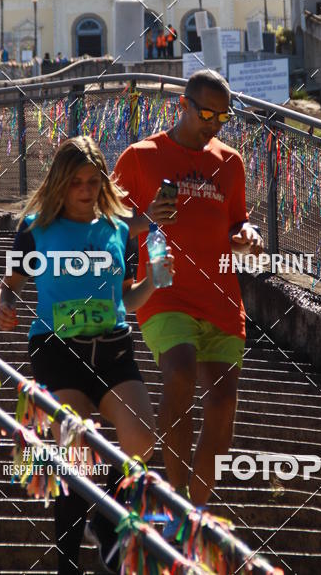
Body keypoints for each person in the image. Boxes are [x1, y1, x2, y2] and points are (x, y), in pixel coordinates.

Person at [0, 135, 173, 574]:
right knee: (73, 455)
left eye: (94, 181)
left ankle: (108, 520)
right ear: (60, 181)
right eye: (76, 181)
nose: (86, 189)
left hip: (112, 346)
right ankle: (67, 564)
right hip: (57, 350)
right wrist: (3, 303)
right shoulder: (35, 228)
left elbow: (127, 298)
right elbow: (9, 285)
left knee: (143, 440)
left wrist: (156, 283)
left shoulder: (117, 227)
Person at [113, 69, 263, 526]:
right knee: (178, 373)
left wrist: (247, 235)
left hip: (220, 297)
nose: (215, 123)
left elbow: (237, 221)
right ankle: (174, 499)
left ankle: (194, 517)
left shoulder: (231, 162)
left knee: (222, 406)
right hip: (165, 289)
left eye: (223, 115)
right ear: (183, 104)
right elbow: (107, 221)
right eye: (207, 113)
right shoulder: (141, 157)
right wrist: (143, 220)